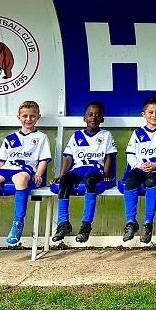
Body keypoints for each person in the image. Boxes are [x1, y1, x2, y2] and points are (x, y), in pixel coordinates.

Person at [0, 100, 52, 246]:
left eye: (32, 116)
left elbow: (43, 160)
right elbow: (1, 161)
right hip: (7, 168)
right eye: (25, 116)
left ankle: (17, 223)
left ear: (38, 117)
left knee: (21, 179)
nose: (28, 119)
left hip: (25, 169)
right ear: (19, 117)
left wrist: (39, 174)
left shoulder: (41, 138)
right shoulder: (10, 138)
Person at [51, 101, 117, 243]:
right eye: (90, 114)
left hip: (95, 169)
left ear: (102, 119)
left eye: (97, 115)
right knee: (65, 182)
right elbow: (68, 158)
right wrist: (61, 175)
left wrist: (106, 174)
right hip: (78, 169)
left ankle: (86, 225)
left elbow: (109, 157)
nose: (93, 118)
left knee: (90, 181)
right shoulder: (76, 136)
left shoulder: (106, 135)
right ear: (84, 118)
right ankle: (63, 223)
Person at [122, 96, 156, 244]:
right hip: (140, 168)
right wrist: (138, 165)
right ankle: (131, 222)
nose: (154, 116)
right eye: (150, 112)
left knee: (152, 181)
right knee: (131, 180)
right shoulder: (137, 133)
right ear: (144, 114)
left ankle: (148, 222)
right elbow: (130, 155)